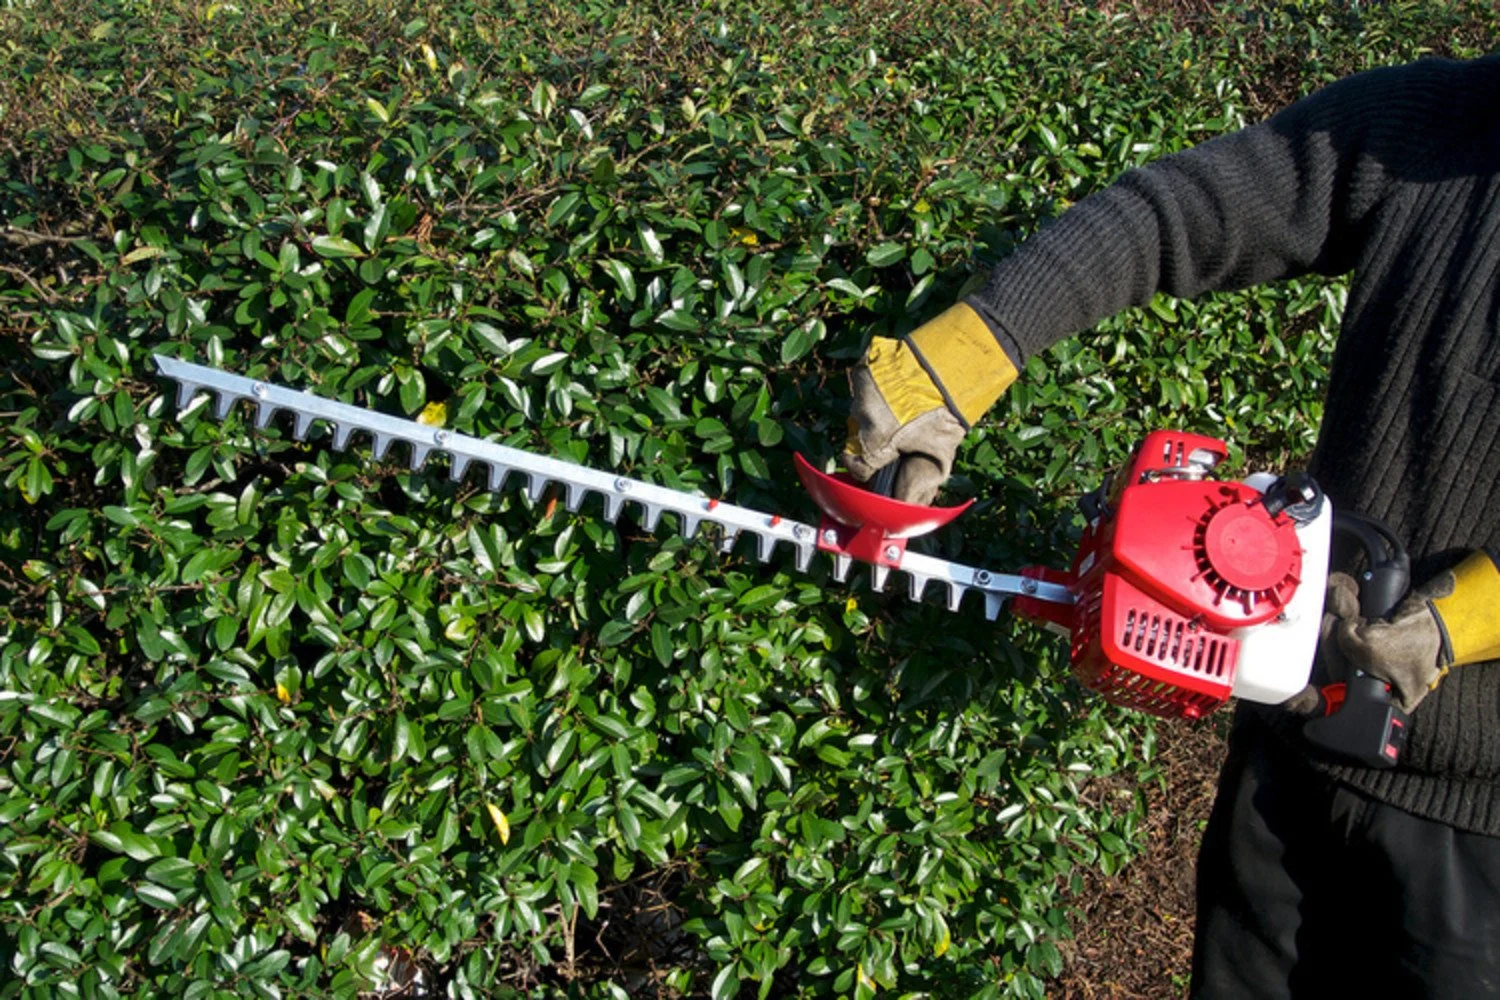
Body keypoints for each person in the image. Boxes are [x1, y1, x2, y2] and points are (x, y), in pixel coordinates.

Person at [844, 53, 1500, 998]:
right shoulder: (1440, 117)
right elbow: (1178, 212)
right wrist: (968, 353)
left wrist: (1456, 622)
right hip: (1292, 751)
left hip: (1477, 831)